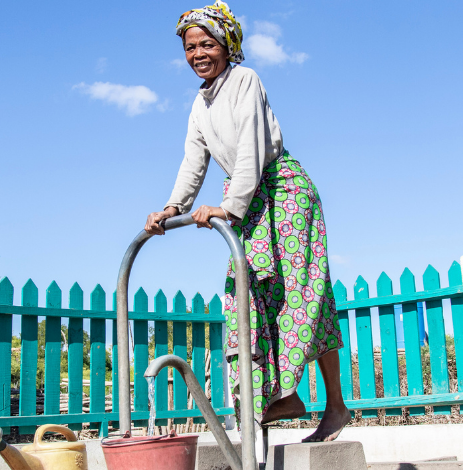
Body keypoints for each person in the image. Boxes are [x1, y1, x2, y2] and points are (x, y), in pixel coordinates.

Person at [143, 1, 350, 442]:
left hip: (282, 190)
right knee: (249, 296)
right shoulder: (200, 105)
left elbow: (253, 149)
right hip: (247, 197)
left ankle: (333, 407)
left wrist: (229, 208)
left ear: (227, 44)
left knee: (301, 295)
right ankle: (281, 397)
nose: (199, 54)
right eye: (190, 47)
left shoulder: (245, 80)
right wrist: (171, 209)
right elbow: (192, 165)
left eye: (207, 44)